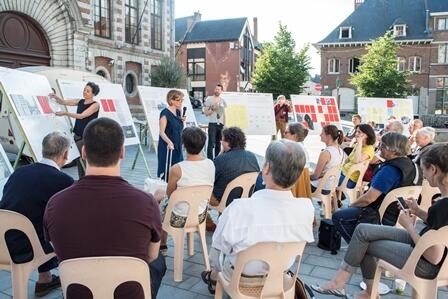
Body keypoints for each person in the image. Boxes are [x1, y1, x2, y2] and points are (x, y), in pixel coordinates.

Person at [44, 118, 166, 299]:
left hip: (78, 292)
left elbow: (58, 250)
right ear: (123, 152)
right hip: (129, 292)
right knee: (158, 263)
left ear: (83, 152)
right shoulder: (146, 202)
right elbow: (152, 255)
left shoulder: (55, 204)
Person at [312, 143, 448, 299]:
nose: (423, 174)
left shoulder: (442, 205)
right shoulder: (443, 202)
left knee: (365, 244)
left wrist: (409, 226)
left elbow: (433, 256)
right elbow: (439, 226)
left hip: (425, 264)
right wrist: (417, 211)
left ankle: (354, 288)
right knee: (363, 230)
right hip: (430, 251)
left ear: (433, 169)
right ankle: (349, 286)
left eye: (424, 169)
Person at [201, 140, 315, 294]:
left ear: (266, 168)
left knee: (219, 248)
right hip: (280, 273)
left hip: (242, 277)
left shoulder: (239, 208)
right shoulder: (306, 208)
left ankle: (214, 279)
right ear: (299, 175)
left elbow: (220, 246)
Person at [0, 132, 74, 297]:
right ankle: (77, 279)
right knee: (64, 227)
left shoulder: (18, 172)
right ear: (66, 154)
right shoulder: (63, 181)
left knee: (37, 218)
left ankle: (45, 279)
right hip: (26, 248)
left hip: (2, 241)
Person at [333, 132, 421, 243]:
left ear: (393, 150)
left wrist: (351, 205)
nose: (379, 147)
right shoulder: (412, 165)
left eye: (382, 145)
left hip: (381, 215)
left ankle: (362, 249)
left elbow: (368, 199)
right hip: (400, 214)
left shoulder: (389, 170)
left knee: (339, 216)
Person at [157, 127, 215, 256]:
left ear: (183, 145)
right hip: (200, 215)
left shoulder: (177, 168)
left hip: (179, 218)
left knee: (162, 201)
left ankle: (162, 245)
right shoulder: (210, 164)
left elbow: (170, 194)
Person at [50, 82, 100, 178]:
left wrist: (65, 113)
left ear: (93, 94)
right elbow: (64, 102)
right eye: (84, 90)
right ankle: (83, 180)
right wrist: (55, 97)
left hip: (86, 137)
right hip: (77, 135)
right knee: (80, 161)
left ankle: (88, 181)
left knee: (83, 160)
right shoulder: (80, 101)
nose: (85, 92)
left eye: (88, 91)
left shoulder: (95, 105)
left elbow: (82, 116)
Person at [210, 127, 260, 207]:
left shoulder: (221, 160)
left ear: (228, 142)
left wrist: (221, 154)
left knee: (201, 189)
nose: (221, 142)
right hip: (246, 198)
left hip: (223, 201)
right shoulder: (252, 156)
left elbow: (210, 180)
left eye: (222, 140)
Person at [157, 89, 185, 180]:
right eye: (178, 100)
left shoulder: (178, 112)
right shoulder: (164, 113)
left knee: (178, 170)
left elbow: (178, 129)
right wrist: (169, 142)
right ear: (171, 100)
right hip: (168, 146)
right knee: (168, 172)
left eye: (182, 100)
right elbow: (162, 132)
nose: (181, 102)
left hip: (178, 145)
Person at [310, 125, 346, 195]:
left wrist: (306, 176)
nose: (320, 135)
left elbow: (315, 176)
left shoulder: (326, 153)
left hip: (322, 187)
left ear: (328, 136)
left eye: (322, 133)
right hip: (332, 186)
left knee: (298, 181)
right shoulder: (341, 151)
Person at [339, 124, 376, 189]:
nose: (356, 134)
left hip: (350, 179)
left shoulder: (369, 149)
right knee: (327, 174)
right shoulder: (358, 145)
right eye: (356, 131)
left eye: (359, 132)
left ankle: (331, 197)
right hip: (343, 172)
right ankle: (334, 197)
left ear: (366, 135)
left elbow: (356, 160)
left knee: (327, 180)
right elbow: (348, 159)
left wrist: (359, 143)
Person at [284, 122, 311, 197]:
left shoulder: (292, 148)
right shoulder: (302, 147)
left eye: (286, 132)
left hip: (293, 183)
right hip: (300, 181)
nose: (284, 134)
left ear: (295, 135)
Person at [203, 84, 226, 159]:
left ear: (221, 91)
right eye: (216, 89)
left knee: (218, 144)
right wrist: (213, 108)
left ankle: (217, 159)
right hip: (212, 123)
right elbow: (206, 113)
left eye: (218, 89)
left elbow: (224, 114)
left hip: (221, 125)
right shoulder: (209, 100)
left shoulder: (223, 101)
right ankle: (210, 160)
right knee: (211, 144)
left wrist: (225, 125)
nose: (217, 90)